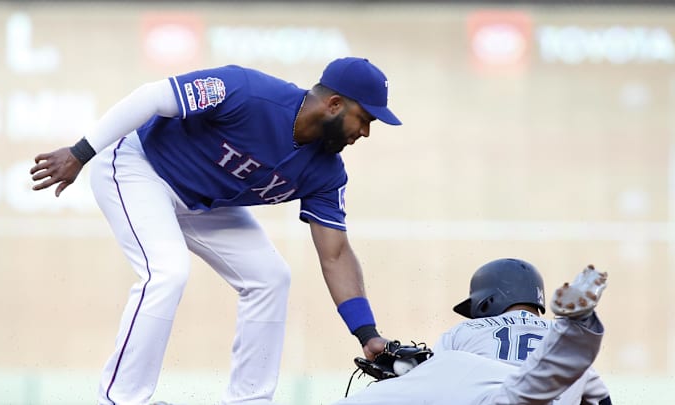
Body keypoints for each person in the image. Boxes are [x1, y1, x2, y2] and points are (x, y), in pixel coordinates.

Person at [29, 57, 401, 405]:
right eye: (365, 118)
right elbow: (151, 96)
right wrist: (80, 152)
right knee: (167, 272)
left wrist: (366, 334)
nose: (365, 132)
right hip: (139, 167)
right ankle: (123, 399)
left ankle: (250, 399)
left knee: (271, 278)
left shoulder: (326, 172)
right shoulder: (248, 91)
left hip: (201, 204)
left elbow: (334, 254)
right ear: (334, 104)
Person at [334, 259, 612, 405]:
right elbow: (602, 400)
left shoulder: (467, 330)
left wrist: (409, 371)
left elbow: (436, 386)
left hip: (490, 398)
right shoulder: (558, 339)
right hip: (545, 388)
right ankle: (580, 325)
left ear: (487, 300)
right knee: (556, 376)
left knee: (442, 367)